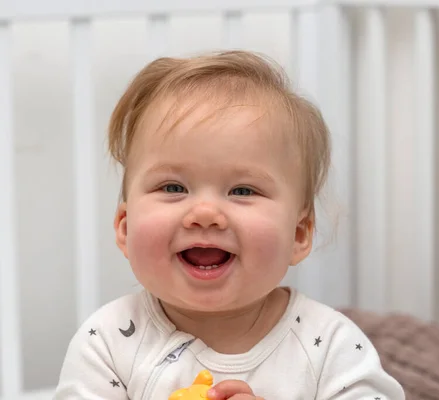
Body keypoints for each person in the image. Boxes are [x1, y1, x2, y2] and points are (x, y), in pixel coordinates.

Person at [55, 50, 405, 400]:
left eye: (242, 190)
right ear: (126, 227)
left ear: (298, 234)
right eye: (173, 187)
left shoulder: (329, 346)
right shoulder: (108, 341)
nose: (205, 213)